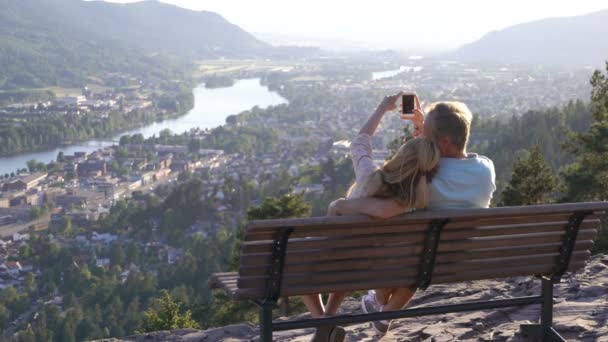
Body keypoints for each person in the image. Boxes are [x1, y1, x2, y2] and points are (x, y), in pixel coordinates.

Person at [329, 97, 497, 336]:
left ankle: (379, 303)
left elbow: (415, 166)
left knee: (407, 248)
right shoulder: (486, 169)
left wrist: (343, 205)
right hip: (460, 258)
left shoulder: (426, 180)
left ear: (444, 142)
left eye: (426, 135)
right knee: (422, 253)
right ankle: (382, 308)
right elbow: (437, 154)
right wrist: (425, 125)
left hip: (415, 261)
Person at [303, 93, 441, 342]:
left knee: (300, 263)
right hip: (373, 267)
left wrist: (382, 108)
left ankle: (323, 325)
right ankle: (326, 323)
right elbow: (427, 157)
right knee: (348, 256)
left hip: (342, 259)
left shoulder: (371, 179)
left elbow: (359, 142)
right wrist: (421, 125)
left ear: (402, 156)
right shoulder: (421, 197)